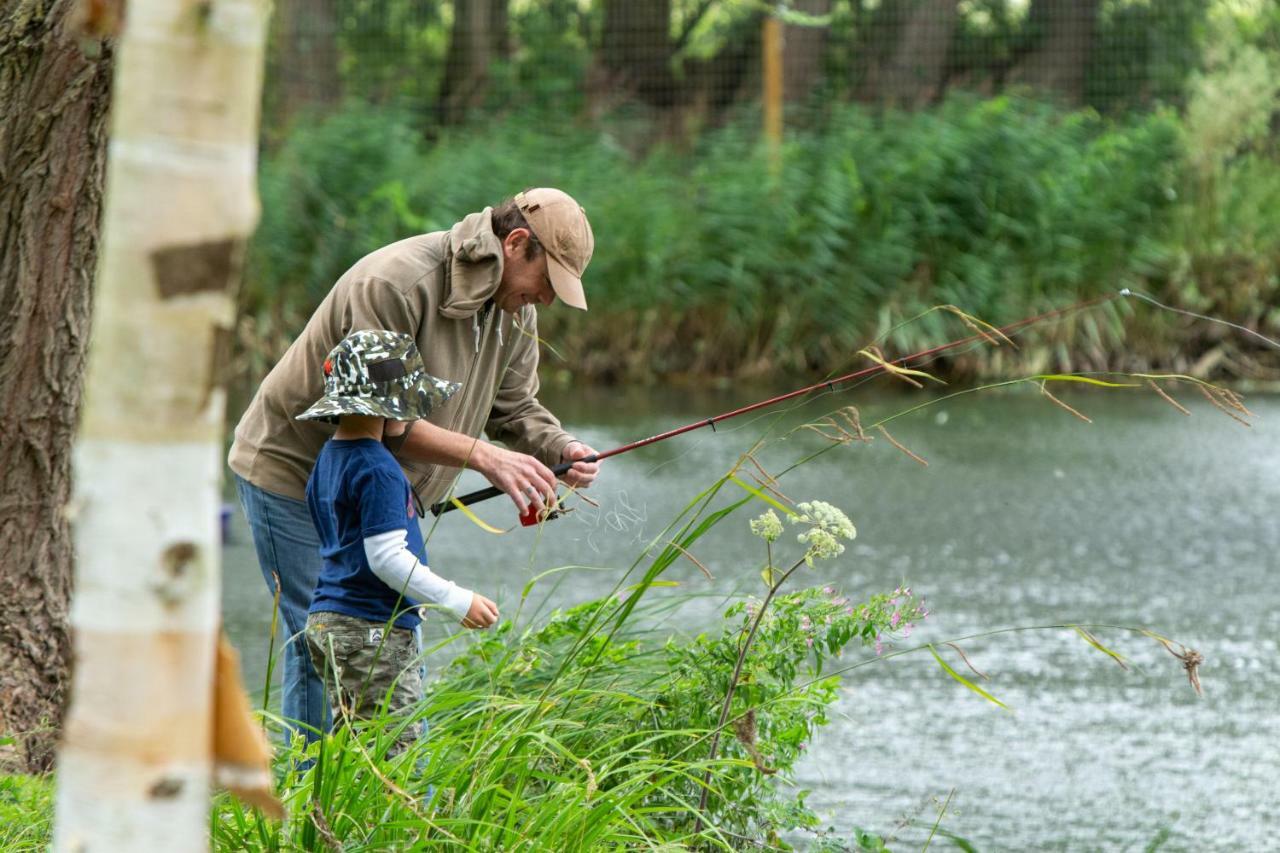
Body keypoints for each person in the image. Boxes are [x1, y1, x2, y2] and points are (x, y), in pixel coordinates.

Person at [229, 188, 601, 739]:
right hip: (292, 474)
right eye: (547, 283)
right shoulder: (396, 283)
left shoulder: (513, 311)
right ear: (517, 243)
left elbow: (516, 406)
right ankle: (310, 801)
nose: (546, 300)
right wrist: (485, 457)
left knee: (389, 635)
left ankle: (369, 798)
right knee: (324, 641)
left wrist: (558, 448)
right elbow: (378, 417)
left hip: (380, 488)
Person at [297, 329, 499, 756]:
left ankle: (335, 821)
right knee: (393, 756)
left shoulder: (328, 461)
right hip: (372, 631)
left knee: (355, 751)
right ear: (390, 405)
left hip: (329, 621)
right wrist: (457, 600)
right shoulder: (379, 469)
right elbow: (386, 559)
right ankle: (392, 825)